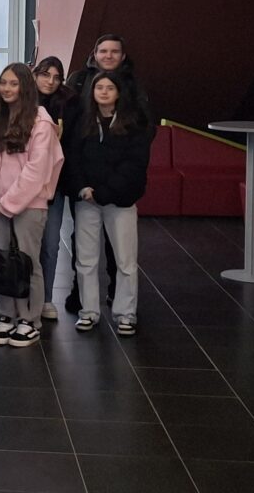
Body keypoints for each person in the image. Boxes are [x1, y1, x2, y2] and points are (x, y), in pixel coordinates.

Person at [0, 63, 64, 348]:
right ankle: (6, 315)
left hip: (29, 206)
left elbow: (37, 170)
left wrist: (9, 203)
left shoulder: (41, 122)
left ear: (25, 87)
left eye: (14, 83)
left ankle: (29, 319)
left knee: (26, 262)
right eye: (4, 83)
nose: (7, 89)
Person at [63, 34, 152, 314]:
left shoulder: (134, 87)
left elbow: (141, 143)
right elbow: (73, 144)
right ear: (95, 53)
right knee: (83, 251)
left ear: (122, 56)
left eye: (114, 51)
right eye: (103, 51)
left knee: (122, 254)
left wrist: (110, 188)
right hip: (85, 192)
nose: (109, 55)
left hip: (120, 193)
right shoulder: (78, 81)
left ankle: (121, 303)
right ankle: (84, 302)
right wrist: (82, 186)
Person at [31, 56, 79, 321]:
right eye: (45, 75)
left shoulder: (69, 105)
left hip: (54, 185)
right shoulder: (22, 100)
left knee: (50, 244)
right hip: (24, 185)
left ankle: (46, 297)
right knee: (24, 245)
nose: (50, 81)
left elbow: (73, 145)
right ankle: (19, 296)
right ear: (35, 74)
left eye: (56, 77)